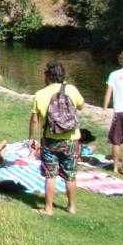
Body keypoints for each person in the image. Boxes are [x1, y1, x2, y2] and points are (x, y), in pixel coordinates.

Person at [29, 61, 84, 216]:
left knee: (50, 175)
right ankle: (71, 207)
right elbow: (81, 106)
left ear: (47, 76)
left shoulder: (40, 94)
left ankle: (48, 208)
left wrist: (31, 138)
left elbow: (35, 120)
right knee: (70, 175)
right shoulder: (71, 89)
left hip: (50, 139)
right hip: (71, 139)